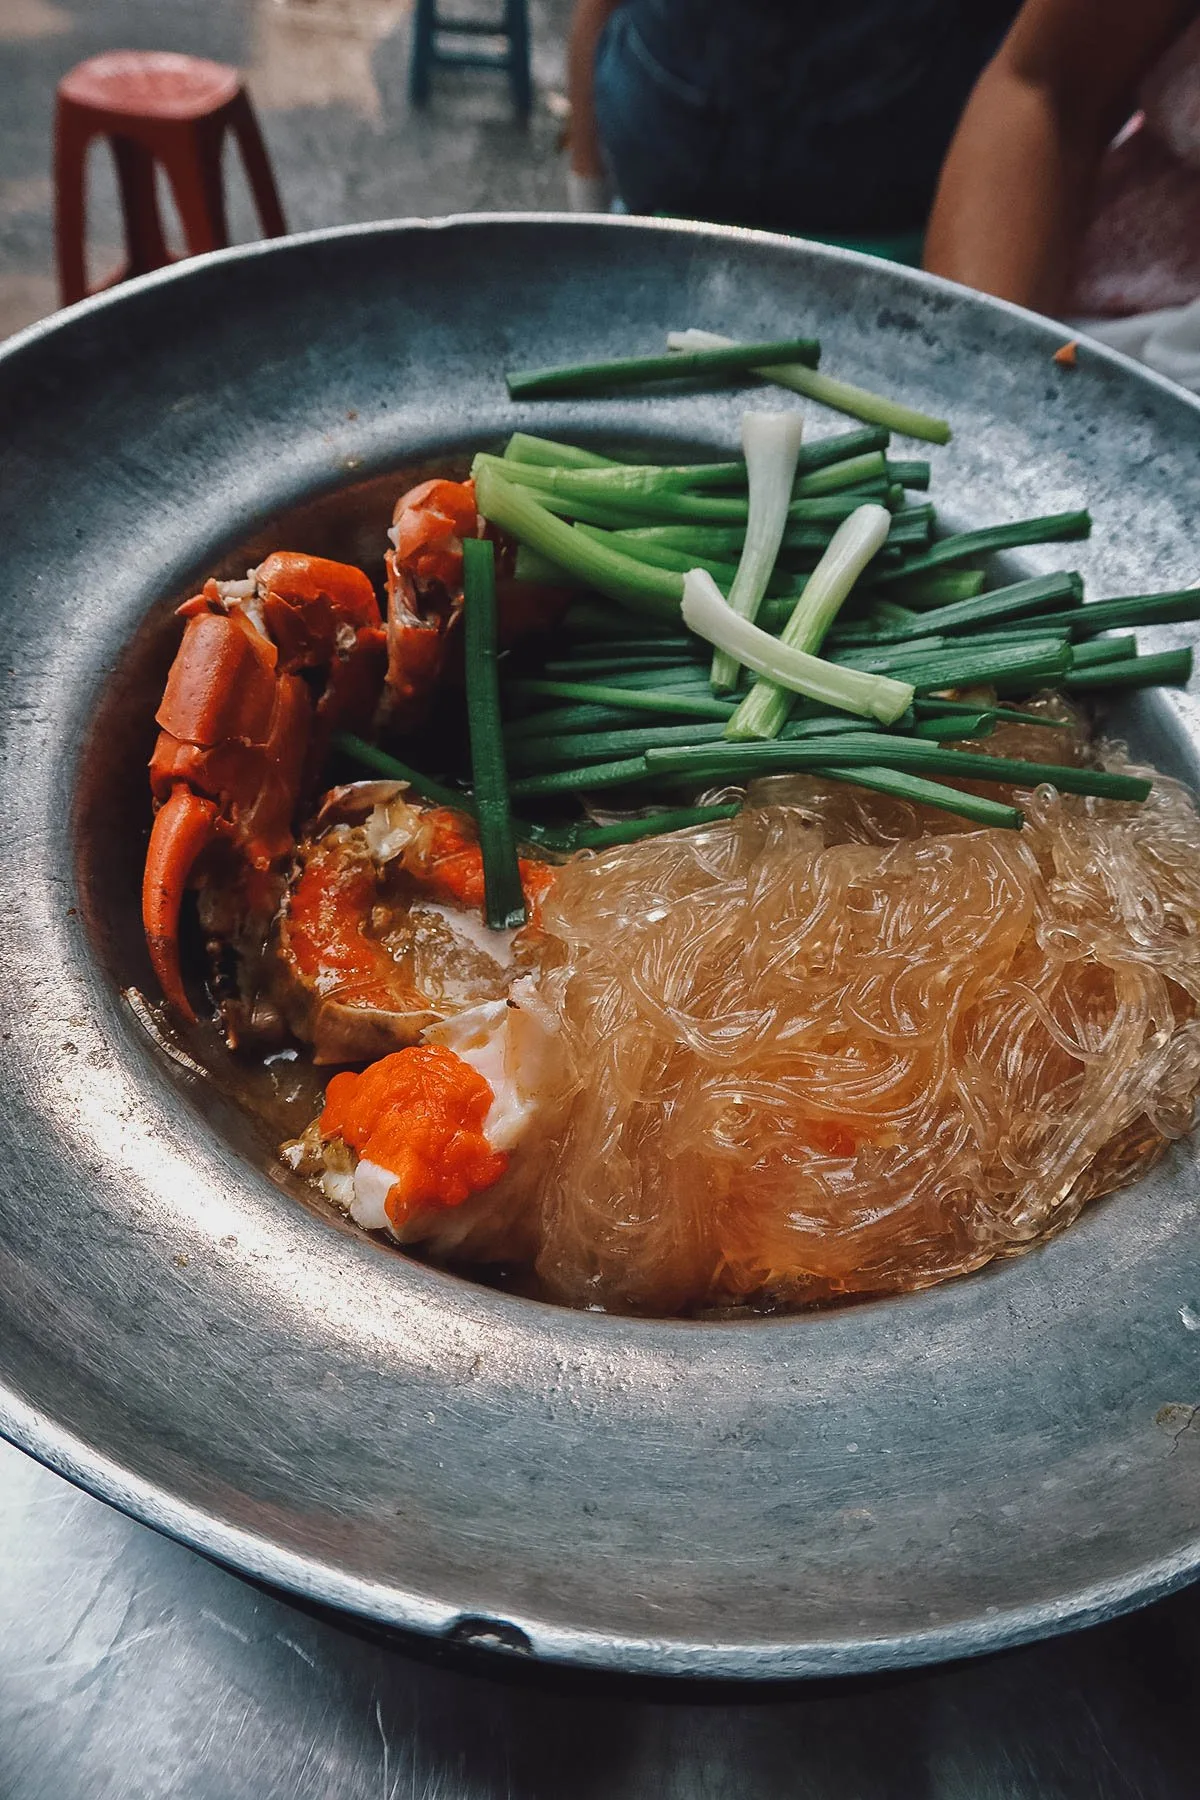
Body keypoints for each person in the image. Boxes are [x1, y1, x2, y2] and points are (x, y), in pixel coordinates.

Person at [567, 0, 1200, 315]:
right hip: (670, 185)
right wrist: (585, 192)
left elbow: (1044, 86)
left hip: (896, 225)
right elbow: (1045, 86)